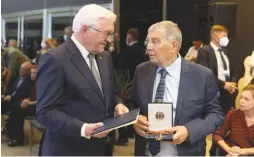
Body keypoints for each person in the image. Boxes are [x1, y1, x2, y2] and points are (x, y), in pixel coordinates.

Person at [36, 4, 129, 156]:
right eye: (106, 33)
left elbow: (110, 91)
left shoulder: (105, 57)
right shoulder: (55, 59)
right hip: (68, 149)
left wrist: (118, 104)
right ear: (85, 30)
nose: (110, 40)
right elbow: (45, 112)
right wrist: (83, 129)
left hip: (103, 149)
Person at [131, 21, 224, 156]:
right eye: (148, 42)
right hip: (146, 151)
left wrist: (189, 131)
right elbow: (132, 103)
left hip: (186, 151)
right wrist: (136, 119)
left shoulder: (201, 75)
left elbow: (216, 115)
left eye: (155, 42)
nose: (149, 47)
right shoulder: (142, 71)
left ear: (174, 46)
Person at [196, 25, 238, 115]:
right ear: (215, 36)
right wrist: (223, 84)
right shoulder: (204, 51)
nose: (226, 39)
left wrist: (232, 84)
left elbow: (233, 70)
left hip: (227, 93)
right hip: (213, 92)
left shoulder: (225, 52)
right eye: (224, 36)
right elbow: (205, 73)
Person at [213, 84, 254, 156]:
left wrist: (242, 151)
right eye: (241, 97)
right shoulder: (233, 114)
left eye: (246, 99)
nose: (241, 101)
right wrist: (229, 150)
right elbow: (217, 134)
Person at [6, 65, 38, 147]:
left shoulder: (42, 84)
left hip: (38, 108)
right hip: (31, 104)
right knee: (16, 109)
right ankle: (12, 134)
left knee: (18, 110)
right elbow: (30, 96)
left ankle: (17, 138)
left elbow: (41, 100)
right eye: (31, 73)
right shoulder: (33, 82)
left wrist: (28, 102)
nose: (32, 75)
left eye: (35, 73)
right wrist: (26, 100)